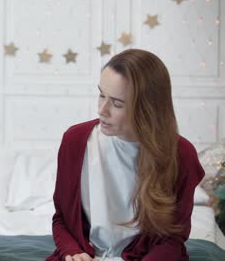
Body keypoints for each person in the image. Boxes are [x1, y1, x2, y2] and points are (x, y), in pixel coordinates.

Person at [47, 49, 204, 261]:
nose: (102, 110)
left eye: (117, 103)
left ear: (147, 109)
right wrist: (72, 253)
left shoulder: (181, 155)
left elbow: (172, 239)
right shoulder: (74, 141)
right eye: (101, 94)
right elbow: (62, 219)